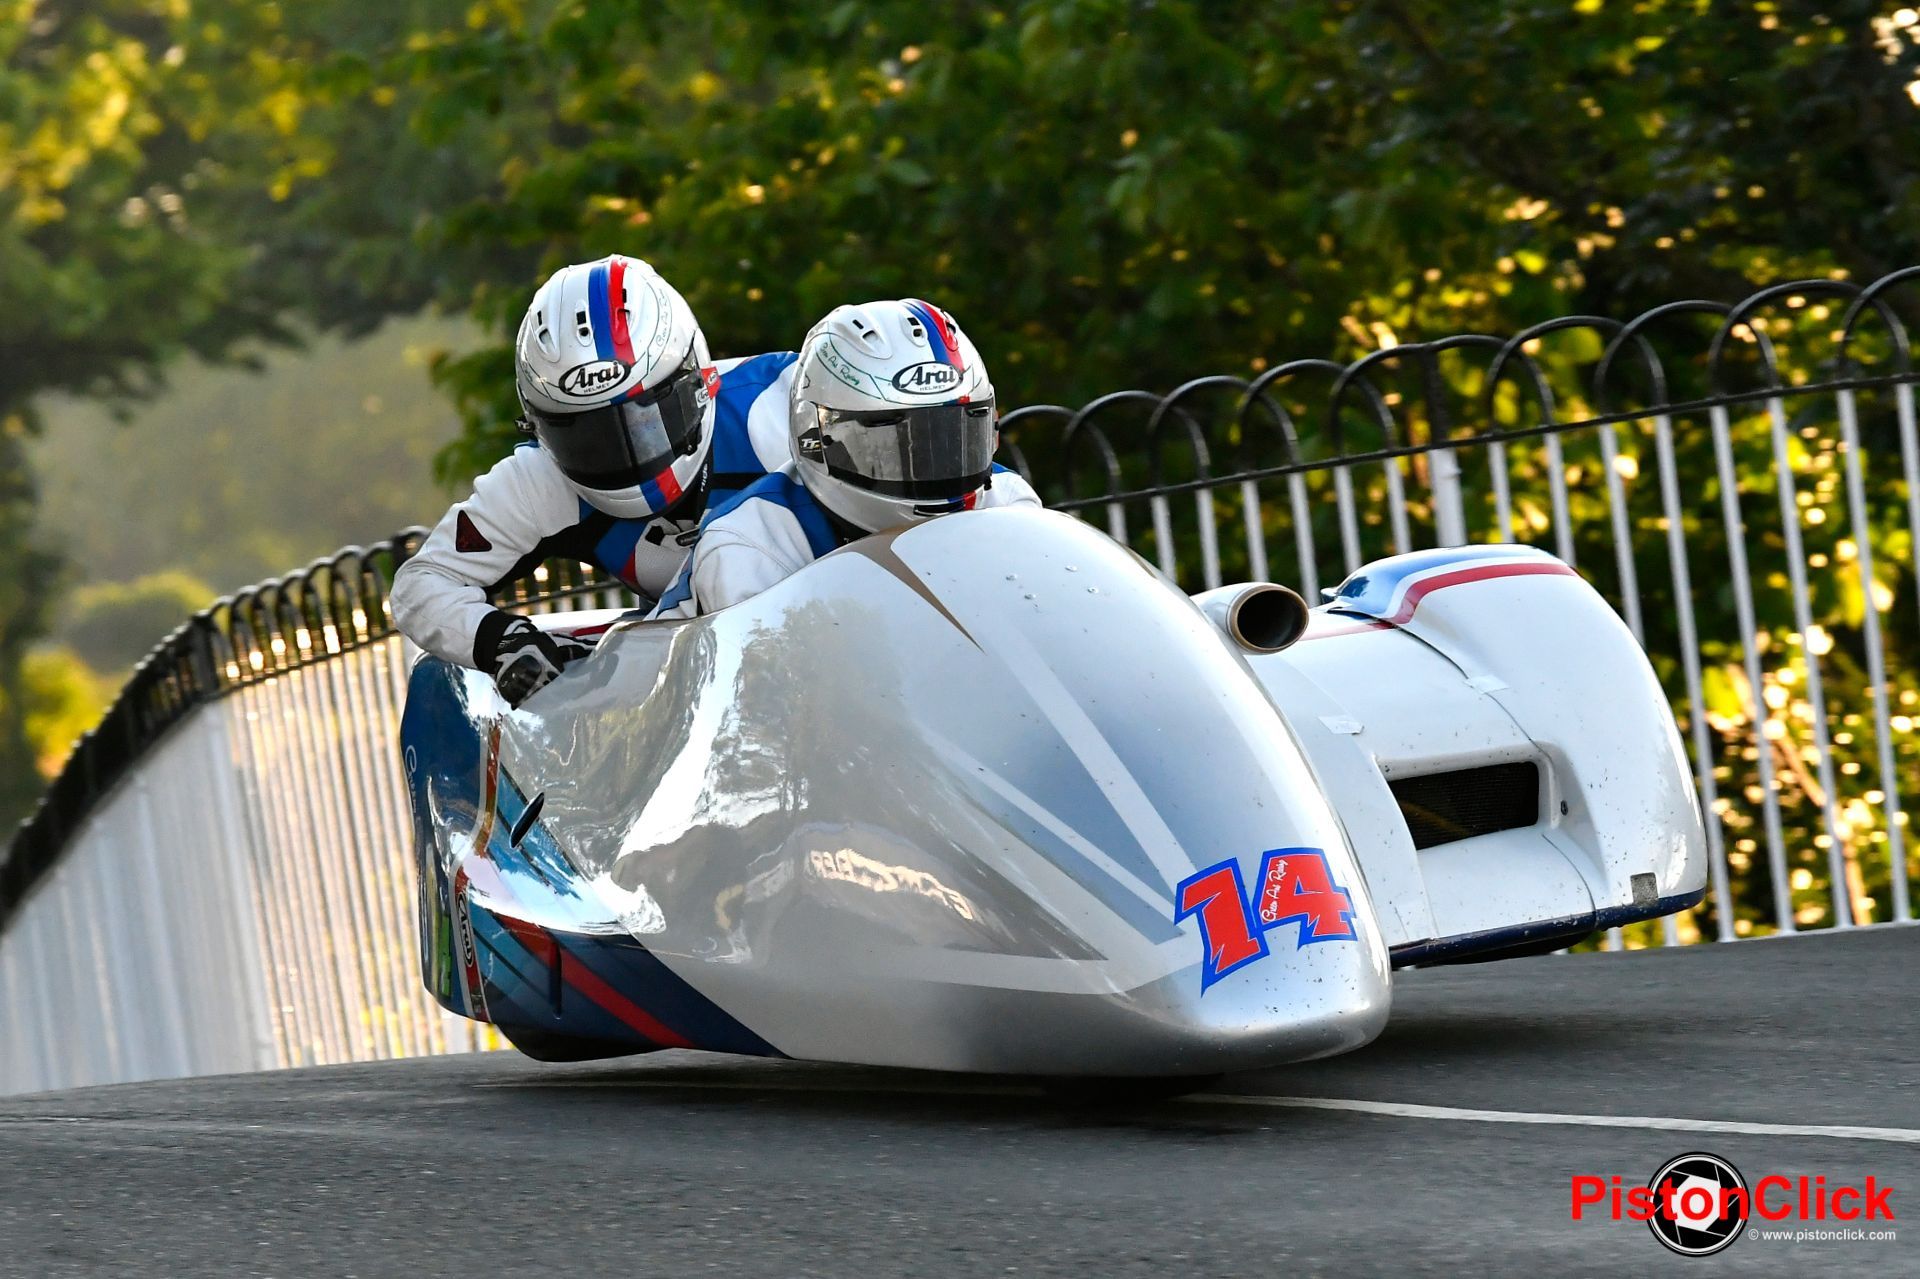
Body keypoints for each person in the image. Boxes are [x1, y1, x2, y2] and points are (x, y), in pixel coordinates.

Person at [391, 254, 798, 704]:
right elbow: (421, 583)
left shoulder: (787, 407)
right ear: (541, 427)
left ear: (700, 381)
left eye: (649, 419)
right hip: (692, 690)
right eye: (589, 437)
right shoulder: (538, 482)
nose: (628, 451)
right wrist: (501, 641)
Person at [649, 299, 1040, 620]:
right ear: (816, 436)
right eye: (887, 443)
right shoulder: (754, 547)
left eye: (951, 437)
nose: (928, 461)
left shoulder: (1009, 506)